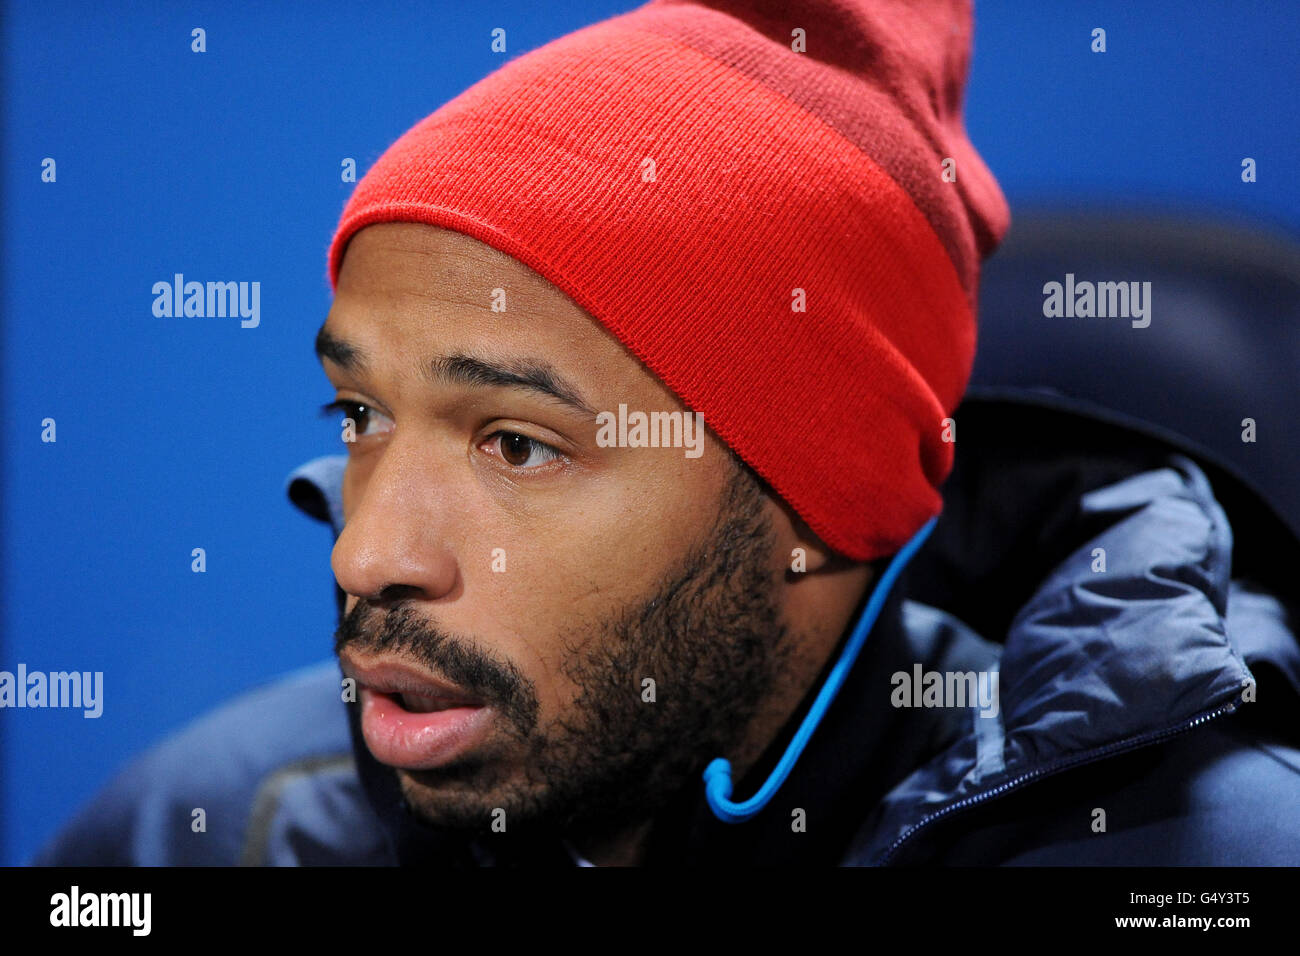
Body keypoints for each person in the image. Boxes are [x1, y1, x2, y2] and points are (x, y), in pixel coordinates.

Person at [34, 0, 1300, 866]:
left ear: (816, 500)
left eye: (516, 443)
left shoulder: (1207, 859)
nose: (365, 553)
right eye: (362, 415)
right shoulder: (210, 826)